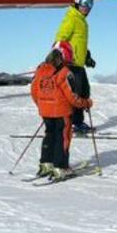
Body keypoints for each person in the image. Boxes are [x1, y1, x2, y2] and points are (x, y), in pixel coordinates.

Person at [30, 41, 92, 179]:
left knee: (49, 135)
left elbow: (34, 91)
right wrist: (85, 103)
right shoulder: (65, 72)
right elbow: (72, 97)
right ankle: (60, 167)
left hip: (45, 111)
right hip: (62, 112)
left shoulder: (40, 70)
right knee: (62, 138)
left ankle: (46, 163)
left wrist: (42, 105)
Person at [54, 0, 96, 132]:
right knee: (74, 94)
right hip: (70, 64)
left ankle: (77, 122)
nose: (87, 7)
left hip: (79, 63)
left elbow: (79, 43)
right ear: (77, 2)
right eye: (84, 3)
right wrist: (57, 58)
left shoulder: (82, 21)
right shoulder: (71, 18)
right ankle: (70, 122)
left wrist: (87, 57)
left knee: (84, 92)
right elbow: (61, 39)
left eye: (90, 4)